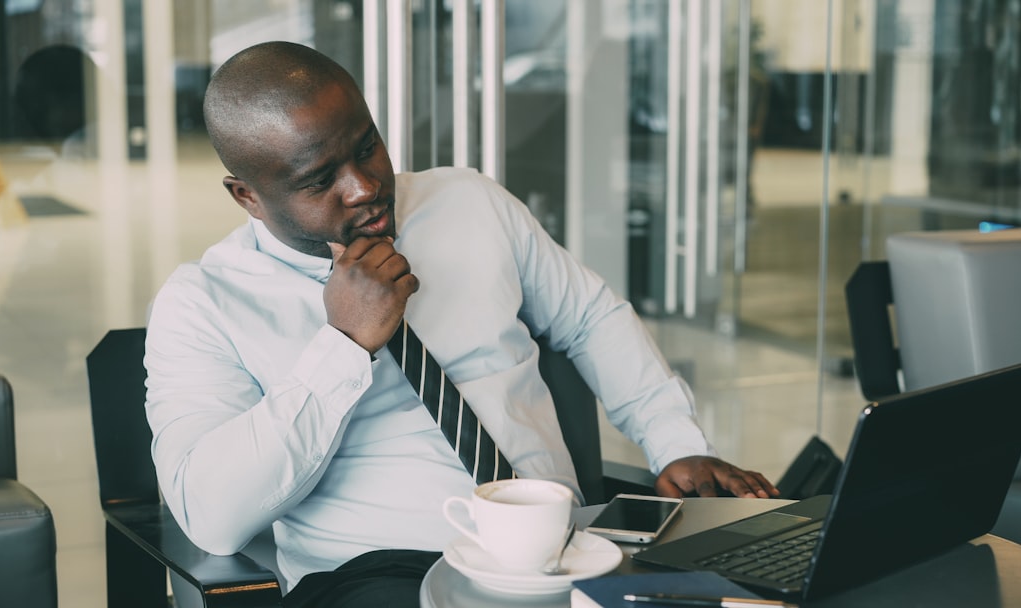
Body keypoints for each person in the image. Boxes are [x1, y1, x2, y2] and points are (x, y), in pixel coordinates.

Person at [143, 40, 778, 607]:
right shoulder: (202, 303)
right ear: (246, 195)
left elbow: (590, 317)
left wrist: (677, 442)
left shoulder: (469, 202)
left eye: (367, 147)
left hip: (563, 551)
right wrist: (342, 346)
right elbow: (212, 516)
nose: (365, 187)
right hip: (383, 575)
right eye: (319, 181)